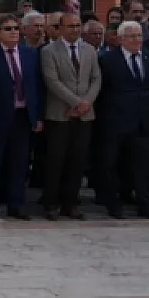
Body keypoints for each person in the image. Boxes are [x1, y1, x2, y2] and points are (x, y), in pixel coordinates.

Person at [94, 20, 149, 220]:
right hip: (115, 121)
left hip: (142, 121)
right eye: (132, 36)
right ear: (121, 39)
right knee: (111, 164)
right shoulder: (107, 60)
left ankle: (148, 205)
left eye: (139, 36)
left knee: (145, 166)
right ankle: (113, 204)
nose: (136, 40)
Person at [0, 14, 43, 221]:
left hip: (23, 116)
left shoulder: (29, 55)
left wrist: (37, 117)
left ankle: (16, 204)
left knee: (20, 163)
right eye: (7, 29)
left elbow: (36, 87)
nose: (13, 32)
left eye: (16, 28)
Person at [39, 13, 101, 221]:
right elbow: (52, 80)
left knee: (77, 161)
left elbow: (96, 79)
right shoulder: (49, 51)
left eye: (78, 25)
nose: (75, 29)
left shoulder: (89, 50)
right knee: (56, 161)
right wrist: (76, 102)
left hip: (84, 115)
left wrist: (85, 103)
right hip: (59, 114)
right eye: (70, 26)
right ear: (61, 27)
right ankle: (51, 203)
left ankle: (71, 203)